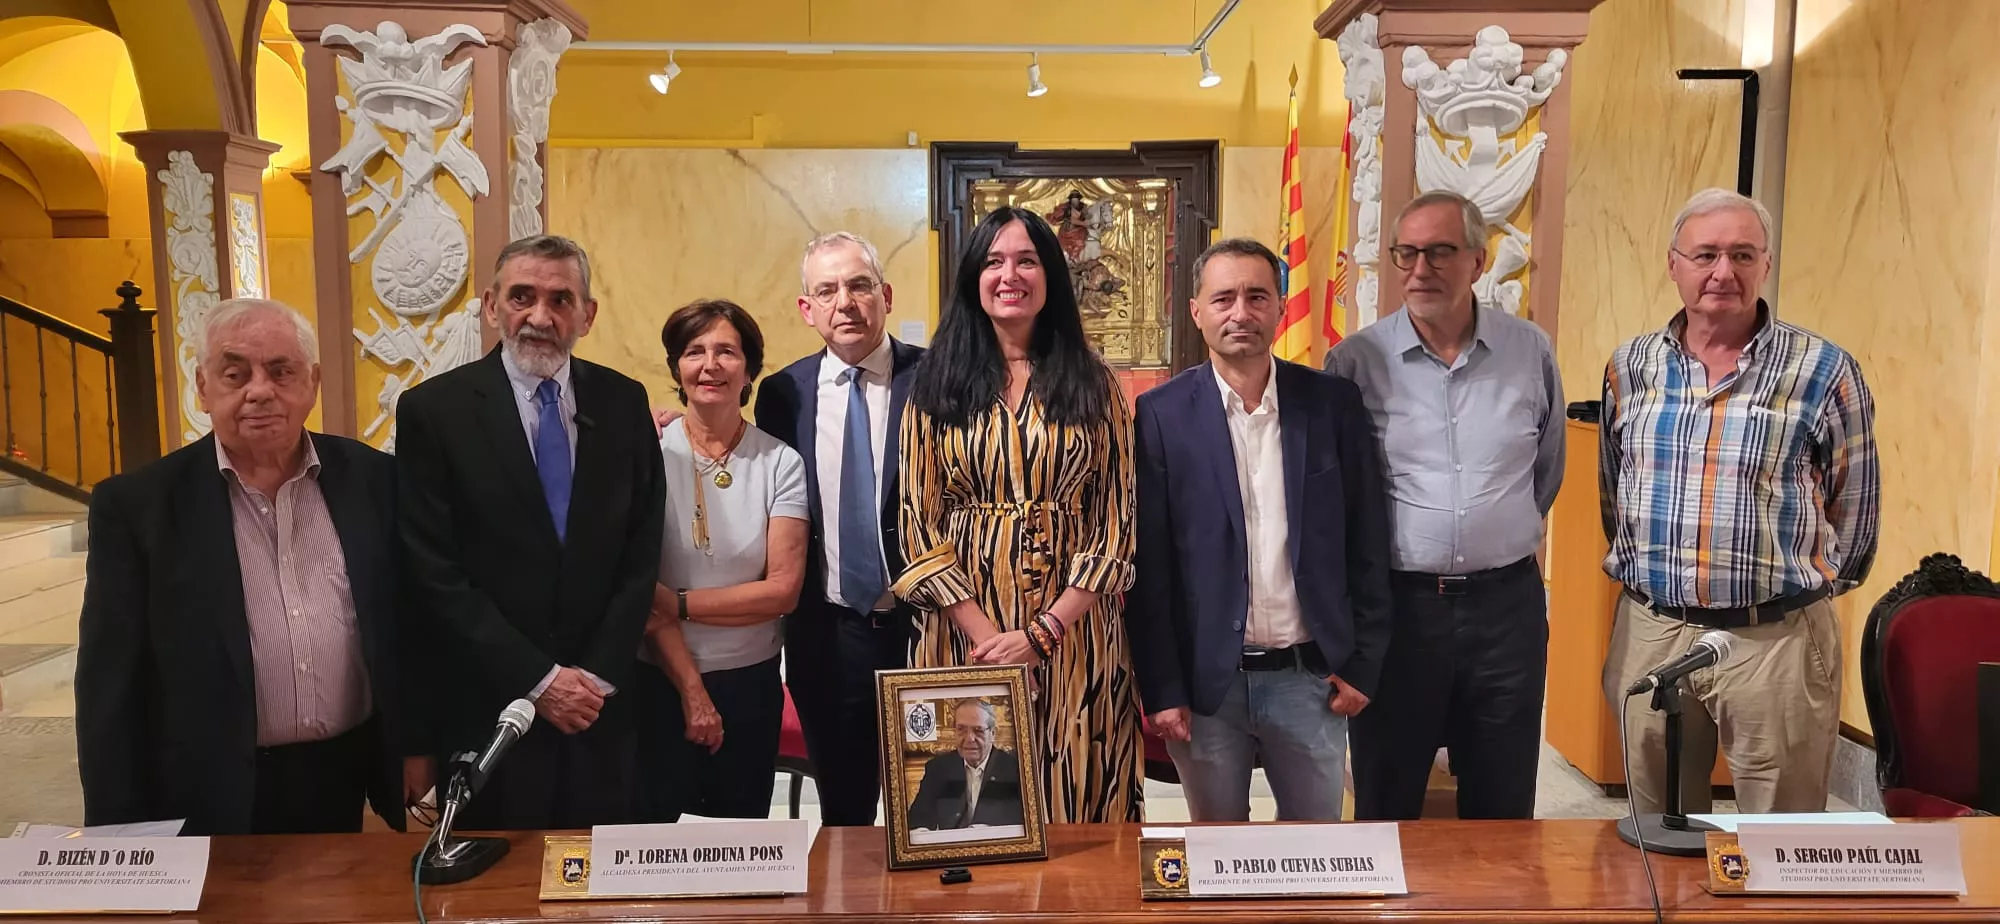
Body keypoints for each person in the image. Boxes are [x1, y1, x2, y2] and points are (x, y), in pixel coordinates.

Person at [76, 298, 422, 834]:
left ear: (312, 382)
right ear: (202, 387)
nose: (260, 391)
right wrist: (115, 830)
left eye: (281, 371)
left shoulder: (376, 481)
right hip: (204, 789)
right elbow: (110, 683)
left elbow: (409, 626)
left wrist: (415, 744)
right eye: (235, 374)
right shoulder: (138, 507)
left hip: (342, 774)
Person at [1600, 188, 1878, 815]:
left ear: (1766, 265)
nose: (1723, 271)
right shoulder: (1629, 367)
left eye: (1742, 255)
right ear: (1673, 265)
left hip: (1774, 641)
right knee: (1656, 833)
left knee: (1782, 841)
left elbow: (1855, 511)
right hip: (1653, 631)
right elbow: (1615, 493)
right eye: (1705, 255)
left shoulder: (1824, 370)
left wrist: (1797, 594)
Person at [396, 234, 666, 830]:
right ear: (491, 306)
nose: (540, 317)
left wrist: (592, 678)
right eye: (522, 297)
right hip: (490, 708)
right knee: (497, 877)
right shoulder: (434, 413)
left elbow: (641, 551)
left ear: (587, 315)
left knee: (600, 870)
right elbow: (433, 570)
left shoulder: (624, 402)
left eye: (560, 299)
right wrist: (539, 681)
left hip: (600, 709)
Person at [1129, 239, 1393, 822]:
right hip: (1208, 688)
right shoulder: (1161, 415)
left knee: (1313, 852)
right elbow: (1151, 568)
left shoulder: (1332, 404)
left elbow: (1368, 542)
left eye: (1256, 296)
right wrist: (1163, 688)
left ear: (1279, 307)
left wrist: (1362, 665)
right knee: (1218, 852)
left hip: (1310, 680)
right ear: (1197, 312)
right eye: (1223, 298)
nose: (1240, 313)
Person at [895, 206, 1142, 825]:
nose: (1009, 275)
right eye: (993, 262)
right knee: (967, 814)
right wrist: (991, 644)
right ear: (973, 280)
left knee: (1076, 793)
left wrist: (1042, 634)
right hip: (963, 631)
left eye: (1026, 261)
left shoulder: (1096, 383)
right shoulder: (934, 383)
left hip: (1075, 631)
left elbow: (1116, 521)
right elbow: (918, 523)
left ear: (1050, 275)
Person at [1325, 190, 1565, 821]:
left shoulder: (1530, 351)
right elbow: (1338, 495)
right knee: (1387, 802)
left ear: (1478, 262)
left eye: (1439, 252)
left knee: (1503, 805)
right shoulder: (1355, 362)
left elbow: (1545, 470)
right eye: (1405, 253)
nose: (1419, 269)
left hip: (1506, 610)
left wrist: (1491, 532)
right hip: (1399, 612)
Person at [752, 232, 925, 826]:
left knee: (938, 808)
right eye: (826, 291)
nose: (844, 302)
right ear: (808, 309)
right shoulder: (783, 394)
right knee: (845, 815)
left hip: (926, 628)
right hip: (828, 634)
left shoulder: (936, 378)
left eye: (859, 285)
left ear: (886, 296)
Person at [636, 300, 807, 821]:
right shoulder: (646, 452)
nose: (710, 365)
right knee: (658, 841)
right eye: (695, 352)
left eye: (727, 352)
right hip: (658, 681)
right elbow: (639, 591)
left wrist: (679, 603)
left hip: (750, 682)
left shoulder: (780, 462)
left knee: (741, 840)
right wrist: (692, 690)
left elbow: (781, 591)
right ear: (676, 370)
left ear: (749, 370)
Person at [905, 700, 1025, 832]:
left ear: (993, 733)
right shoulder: (938, 769)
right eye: (961, 730)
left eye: (978, 730)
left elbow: (1023, 823)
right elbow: (918, 820)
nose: (969, 739)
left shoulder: (1014, 770)